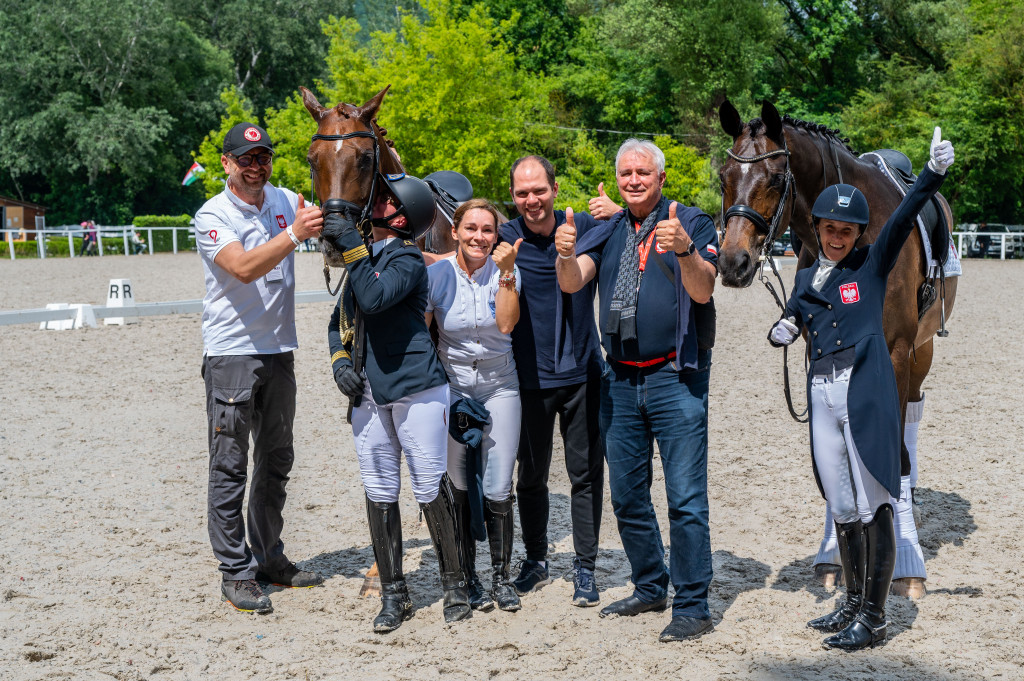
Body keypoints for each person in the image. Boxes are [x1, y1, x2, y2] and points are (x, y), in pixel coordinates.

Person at [767, 128, 955, 651]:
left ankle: (873, 616)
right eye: (828, 229)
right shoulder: (809, 277)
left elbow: (897, 221)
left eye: (846, 230)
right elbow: (797, 312)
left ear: (856, 233)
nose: (835, 237)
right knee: (843, 502)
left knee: (875, 501)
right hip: (823, 396)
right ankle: (850, 602)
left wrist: (933, 176)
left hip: (861, 389)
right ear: (818, 229)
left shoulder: (871, 263)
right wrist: (786, 325)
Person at [556, 138, 719, 643]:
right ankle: (651, 583)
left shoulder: (689, 222)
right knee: (627, 495)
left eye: (642, 172)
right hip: (621, 378)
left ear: (661, 178)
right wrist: (564, 254)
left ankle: (692, 604)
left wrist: (684, 249)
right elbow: (572, 283)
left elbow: (704, 289)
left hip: (676, 377)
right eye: (625, 173)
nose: (632, 180)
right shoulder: (608, 229)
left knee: (686, 498)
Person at [325, 176, 472, 633]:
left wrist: (350, 240)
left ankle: (455, 584)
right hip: (367, 390)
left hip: (415, 387)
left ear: (402, 213)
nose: (375, 201)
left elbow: (374, 296)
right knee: (379, 487)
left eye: (385, 198)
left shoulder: (407, 257)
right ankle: (394, 595)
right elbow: (339, 320)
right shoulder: (364, 258)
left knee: (428, 484)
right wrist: (340, 363)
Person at [194, 121, 325, 614]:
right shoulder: (213, 214)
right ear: (227, 163)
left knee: (276, 460)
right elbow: (244, 267)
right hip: (231, 354)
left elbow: (334, 211)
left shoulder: (284, 198)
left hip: (279, 351)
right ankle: (235, 570)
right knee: (230, 466)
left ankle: (268, 556)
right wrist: (294, 234)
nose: (255, 167)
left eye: (262, 157)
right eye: (245, 159)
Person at [498, 155, 605, 607]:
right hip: (528, 377)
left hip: (583, 373)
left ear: (555, 189)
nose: (531, 200)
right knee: (530, 477)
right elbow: (458, 246)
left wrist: (614, 211)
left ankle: (585, 567)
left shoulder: (584, 226)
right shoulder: (506, 236)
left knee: (585, 476)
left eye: (538, 190)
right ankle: (537, 561)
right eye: (522, 193)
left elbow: (578, 277)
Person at [425, 198, 523, 613]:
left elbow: (505, 325)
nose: (479, 237)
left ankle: (502, 577)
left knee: (500, 485)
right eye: (471, 228)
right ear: (455, 231)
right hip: (453, 386)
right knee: (459, 484)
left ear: (496, 237)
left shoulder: (507, 270)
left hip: (501, 384)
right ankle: (468, 576)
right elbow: (422, 333)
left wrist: (505, 277)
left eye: (487, 230)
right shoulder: (436, 275)